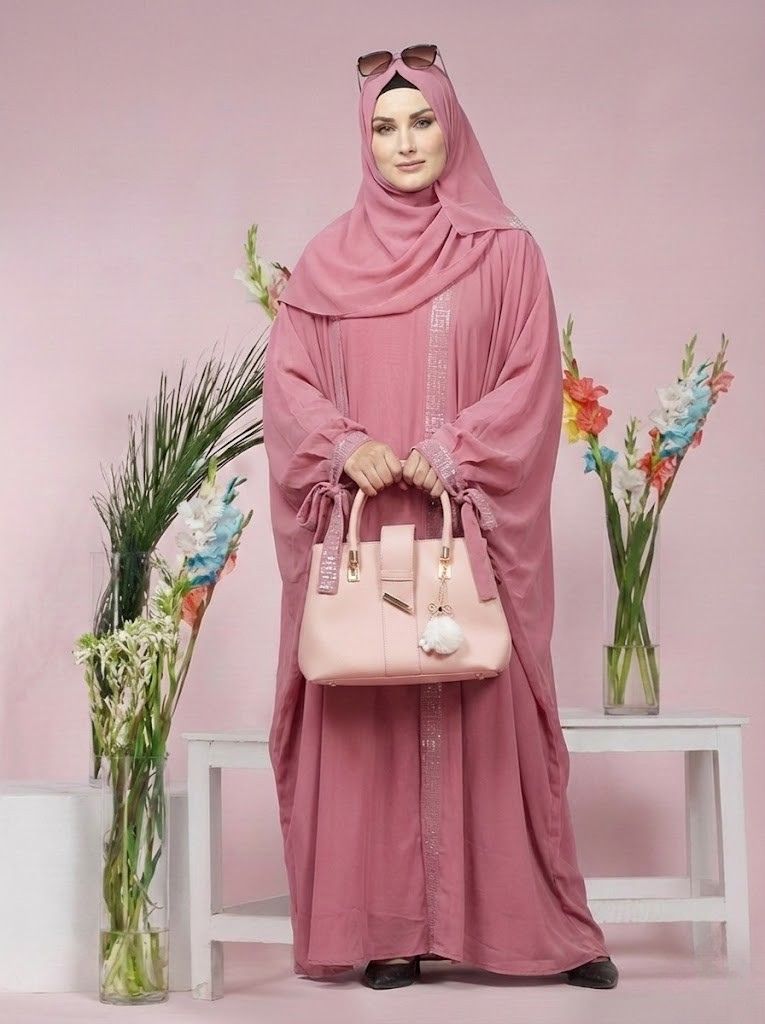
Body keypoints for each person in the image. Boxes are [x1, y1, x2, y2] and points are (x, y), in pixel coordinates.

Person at [261, 47, 619, 992]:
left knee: (489, 706)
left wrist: (455, 448)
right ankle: (389, 931)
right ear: (364, 140)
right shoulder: (324, 264)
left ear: (451, 126)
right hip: (372, 524)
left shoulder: (507, 253)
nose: (405, 143)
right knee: (370, 712)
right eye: (385, 127)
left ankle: (536, 930)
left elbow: (531, 380)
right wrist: (342, 445)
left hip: (466, 529)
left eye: (421, 121)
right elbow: (288, 387)